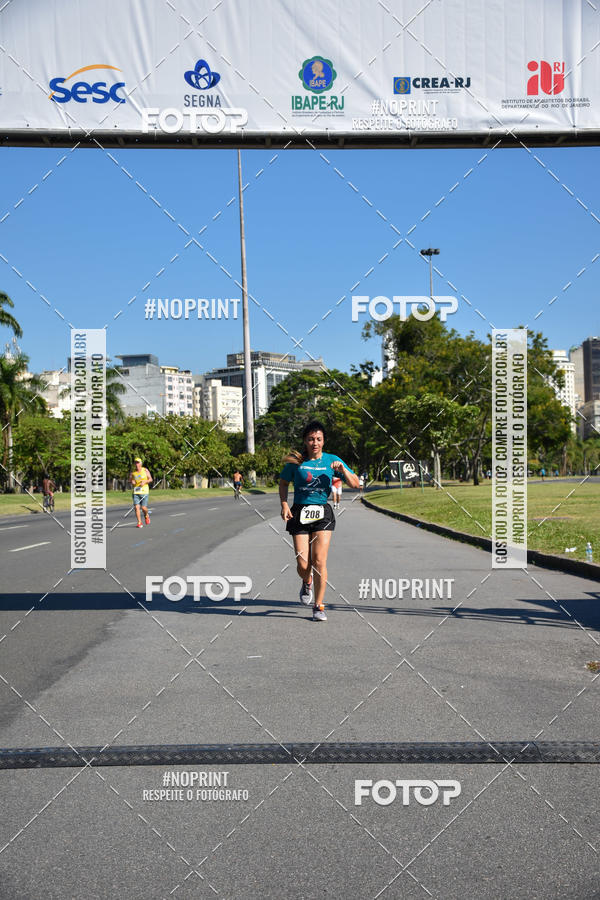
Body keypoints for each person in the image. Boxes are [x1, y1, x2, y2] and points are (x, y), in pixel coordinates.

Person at [279, 420, 359, 622]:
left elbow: (356, 484)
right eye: (311, 439)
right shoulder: (296, 462)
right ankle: (307, 581)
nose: (315, 442)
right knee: (303, 563)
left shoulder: (332, 460)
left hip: (322, 512)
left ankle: (319, 606)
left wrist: (342, 469)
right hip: (299, 512)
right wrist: (284, 504)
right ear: (305, 441)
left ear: (324, 441)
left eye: (319, 439)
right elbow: (283, 482)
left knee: (320, 561)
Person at [130, 457, 152, 527]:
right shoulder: (133, 472)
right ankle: (139, 522)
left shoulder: (145, 470)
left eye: (138, 462)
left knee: (143, 508)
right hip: (136, 492)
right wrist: (132, 482)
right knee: (136, 507)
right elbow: (131, 480)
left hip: (144, 491)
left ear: (141, 463)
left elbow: (150, 479)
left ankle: (146, 515)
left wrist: (145, 481)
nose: (137, 464)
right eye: (135, 463)